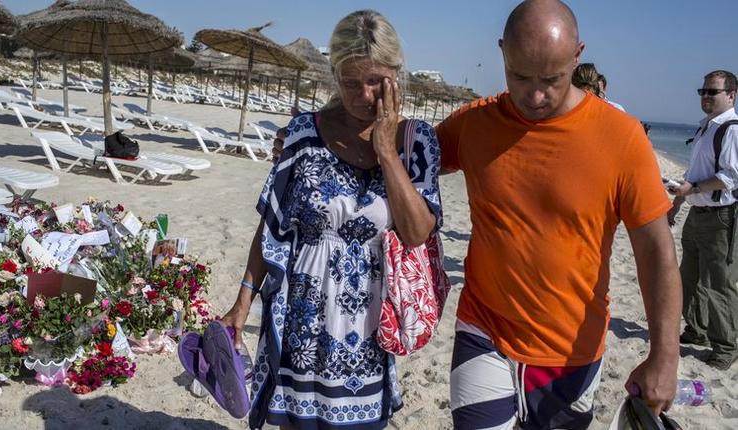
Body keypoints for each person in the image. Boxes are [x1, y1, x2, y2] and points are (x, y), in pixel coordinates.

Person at [436, 1, 681, 428]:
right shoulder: (474, 125)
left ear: (577, 55)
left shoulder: (622, 139)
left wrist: (664, 356)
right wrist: (321, 139)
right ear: (502, 53)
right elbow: (404, 161)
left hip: (572, 351)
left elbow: (656, 252)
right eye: (519, 76)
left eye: (551, 79)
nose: (534, 95)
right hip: (483, 329)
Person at [221, 10, 443, 430]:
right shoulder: (304, 132)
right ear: (334, 76)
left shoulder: (417, 141)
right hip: (300, 314)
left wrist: (386, 150)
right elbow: (272, 224)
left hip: (370, 326)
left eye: (376, 81)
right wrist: (242, 301)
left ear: (397, 74)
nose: (363, 95)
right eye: (351, 82)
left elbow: (416, 233)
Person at [667, 69, 738, 371]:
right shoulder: (706, 127)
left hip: (720, 218)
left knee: (719, 285)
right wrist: (678, 203)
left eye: (713, 92)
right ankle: (697, 329)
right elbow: (693, 174)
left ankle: (726, 347)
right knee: (688, 278)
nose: (705, 97)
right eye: (703, 92)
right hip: (697, 215)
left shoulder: (731, 129)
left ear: (731, 95)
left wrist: (692, 189)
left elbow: (730, 178)